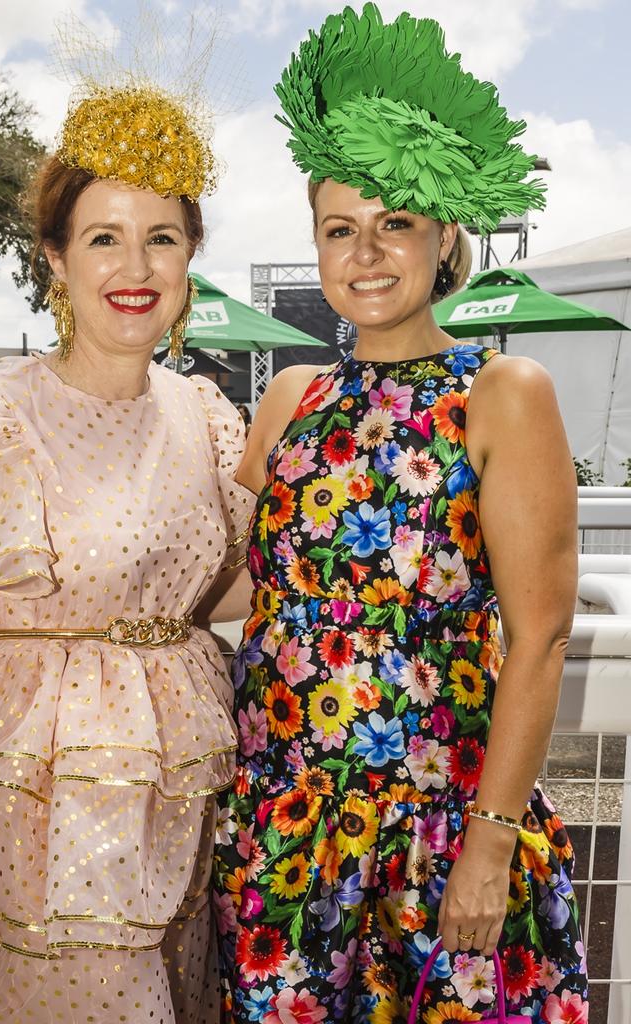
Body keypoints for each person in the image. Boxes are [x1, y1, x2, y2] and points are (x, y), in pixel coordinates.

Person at [213, 6, 588, 1023]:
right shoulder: (289, 399)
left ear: (443, 233)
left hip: (442, 838)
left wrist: (492, 842)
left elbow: (543, 633)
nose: (366, 253)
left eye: (395, 223)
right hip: (286, 839)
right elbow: (228, 585)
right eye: (341, 228)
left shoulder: (502, 392)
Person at [0, 65, 253, 1024]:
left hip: (171, 815)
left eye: (161, 238)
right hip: (22, 834)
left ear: (190, 256)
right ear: (54, 259)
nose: (136, 268)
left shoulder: (207, 417)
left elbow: (222, 597)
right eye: (104, 238)